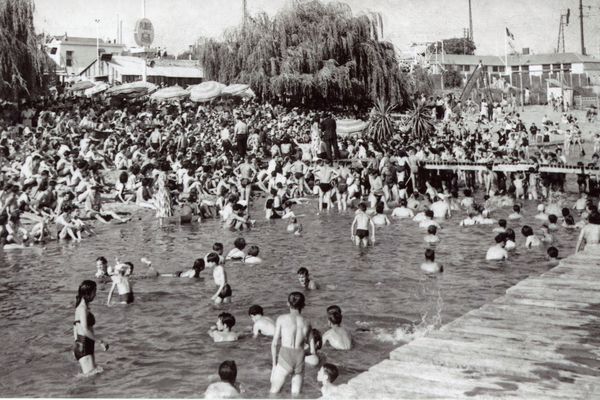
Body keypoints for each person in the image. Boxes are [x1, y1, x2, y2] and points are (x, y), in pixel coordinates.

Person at [270, 292, 312, 395]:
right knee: (296, 394)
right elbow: (311, 349)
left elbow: (274, 344)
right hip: (299, 356)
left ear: (288, 303)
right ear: (303, 305)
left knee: (274, 391)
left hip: (285, 354)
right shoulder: (307, 322)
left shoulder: (281, 319)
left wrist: (274, 365)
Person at [73, 280, 109, 374]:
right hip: (84, 344)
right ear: (88, 293)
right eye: (94, 291)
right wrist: (100, 342)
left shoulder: (80, 307)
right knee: (90, 378)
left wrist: (77, 344)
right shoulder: (82, 308)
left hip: (83, 344)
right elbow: (84, 330)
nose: (95, 295)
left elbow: (75, 326)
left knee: (92, 376)